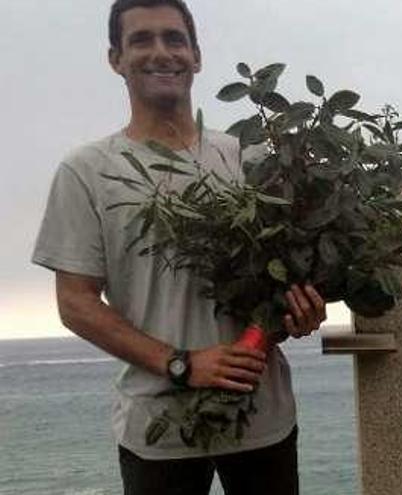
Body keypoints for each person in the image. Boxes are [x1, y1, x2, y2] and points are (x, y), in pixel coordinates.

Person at [31, 1, 325, 493]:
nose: (160, 52)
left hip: (263, 422)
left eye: (174, 38)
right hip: (157, 430)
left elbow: (287, 273)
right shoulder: (87, 170)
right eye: (141, 40)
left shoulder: (249, 159)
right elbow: (76, 304)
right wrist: (181, 364)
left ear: (196, 56)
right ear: (115, 59)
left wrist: (300, 312)